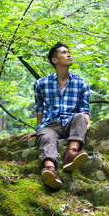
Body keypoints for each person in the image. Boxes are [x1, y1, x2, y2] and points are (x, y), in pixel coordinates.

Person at [33, 42, 89, 189]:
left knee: (81, 117)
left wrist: (86, 125)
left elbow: (84, 109)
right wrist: (38, 129)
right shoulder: (41, 83)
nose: (69, 55)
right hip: (50, 124)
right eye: (64, 52)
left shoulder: (81, 83)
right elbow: (39, 108)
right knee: (46, 136)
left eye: (68, 52)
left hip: (71, 122)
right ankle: (50, 170)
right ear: (55, 60)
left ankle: (71, 154)